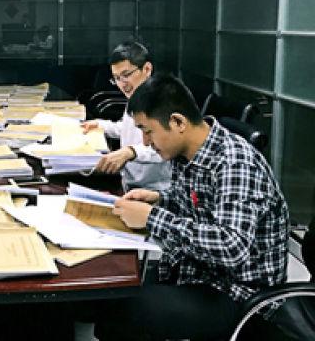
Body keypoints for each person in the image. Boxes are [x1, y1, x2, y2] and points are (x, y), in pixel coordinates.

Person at [94, 74, 289, 341]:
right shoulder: (187, 152)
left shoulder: (234, 162)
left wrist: (152, 218)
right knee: (110, 291)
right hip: (198, 271)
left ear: (178, 122)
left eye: (148, 131)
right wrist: (158, 199)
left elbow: (231, 247)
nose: (146, 142)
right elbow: (194, 204)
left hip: (238, 293)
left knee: (125, 309)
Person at [82, 41, 171, 192]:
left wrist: (131, 152)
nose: (122, 84)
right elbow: (127, 129)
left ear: (147, 69)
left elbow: (166, 149)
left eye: (126, 75)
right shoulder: (136, 96)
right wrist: (101, 125)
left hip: (155, 191)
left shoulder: (164, 101)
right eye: (116, 78)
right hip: (128, 183)